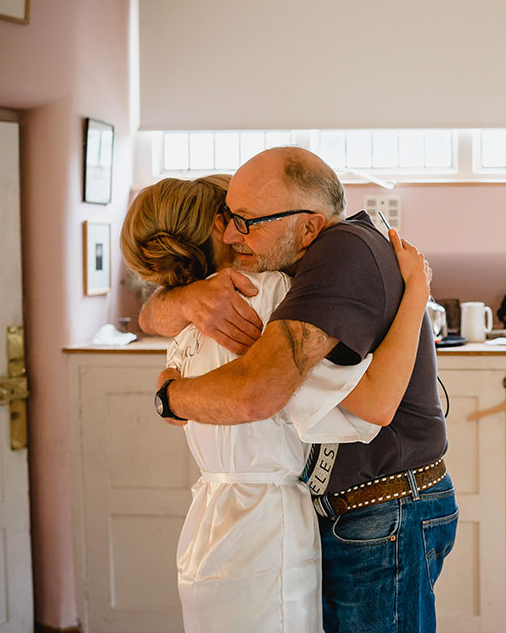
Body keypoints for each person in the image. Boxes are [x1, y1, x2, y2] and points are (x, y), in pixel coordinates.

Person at [140, 147, 457, 633]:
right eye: (228, 219)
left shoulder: (332, 257)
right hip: (317, 515)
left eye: (245, 221)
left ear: (309, 227)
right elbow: (151, 316)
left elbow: (272, 394)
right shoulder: (245, 294)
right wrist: (185, 299)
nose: (234, 234)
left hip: (379, 509)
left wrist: (170, 397)